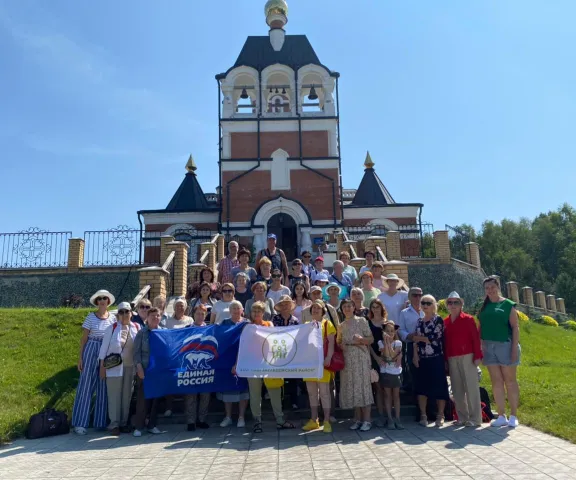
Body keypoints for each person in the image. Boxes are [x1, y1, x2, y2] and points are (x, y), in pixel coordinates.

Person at [242, 301, 294, 432]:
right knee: (255, 394)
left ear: (263, 313)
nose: (256, 313)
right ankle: (257, 421)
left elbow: (275, 342)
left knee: (275, 392)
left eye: (259, 311)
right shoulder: (247, 327)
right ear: (251, 313)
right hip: (253, 364)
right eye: (254, 311)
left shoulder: (269, 324)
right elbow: (242, 346)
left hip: (269, 363)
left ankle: (280, 420)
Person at [478, 276, 521, 428]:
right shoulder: (484, 306)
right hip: (488, 346)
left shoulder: (508, 304)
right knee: (496, 382)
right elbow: (481, 326)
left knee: (510, 381)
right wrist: (480, 346)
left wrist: (514, 348)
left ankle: (514, 415)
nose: (490, 290)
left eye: (492, 287)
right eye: (487, 288)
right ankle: (502, 415)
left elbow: (515, 327)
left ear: (498, 287)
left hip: (505, 345)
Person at [72, 290, 116, 435]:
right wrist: (80, 358)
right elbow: (84, 339)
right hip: (91, 347)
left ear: (108, 301)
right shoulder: (91, 317)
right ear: (97, 302)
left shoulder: (113, 318)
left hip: (106, 350)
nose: (102, 301)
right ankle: (80, 423)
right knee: (86, 385)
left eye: (105, 298)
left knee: (103, 385)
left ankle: (100, 422)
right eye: (100, 299)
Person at [98, 301, 140, 435]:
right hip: (114, 367)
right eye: (121, 312)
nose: (124, 314)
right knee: (114, 396)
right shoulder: (112, 328)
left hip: (130, 367)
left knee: (126, 396)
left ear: (131, 313)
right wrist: (102, 367)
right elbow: (103, 349)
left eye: (127, 311)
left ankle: (123, 423)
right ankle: (114, 424)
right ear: (118, 315)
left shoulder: (136, 327)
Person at [444, 291, 483, 427]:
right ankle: (462, 417)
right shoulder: (445, 322)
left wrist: (478, 356)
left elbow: (475, 339)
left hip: (468, 356)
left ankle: (475, 419)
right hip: (452, 358)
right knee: (457, 389)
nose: (453, 305)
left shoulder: (468, 319)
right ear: (447, 305)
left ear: (461, 304)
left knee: (471, 388)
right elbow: (445, 343)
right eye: (450, 302)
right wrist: (446, 361)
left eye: (456, 302)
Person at [413, 295, 450, 427]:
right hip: (422, 358)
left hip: (436, 358)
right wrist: (415, 355)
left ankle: (440, 415)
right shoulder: (419, 321)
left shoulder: (438, 320)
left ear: (434, 305)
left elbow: (433, 338)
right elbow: (415, 341)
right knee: (422, 387)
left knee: (439, 386)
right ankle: (423, 415)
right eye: (423, 303)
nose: (425, 305)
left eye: (428, 303)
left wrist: (419, 338)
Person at [338, 298, 374, 431]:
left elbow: (371, 339)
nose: (347, 309)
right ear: (342, 309)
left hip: (361, 357)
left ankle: (367, 420)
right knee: (354, 387)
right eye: (344, 307)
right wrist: (341, 345)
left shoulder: (362, 321)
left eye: (349, 306)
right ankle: (358, 419)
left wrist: (361, 339)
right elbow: (339, 341)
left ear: (354, 307)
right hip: (348, 358)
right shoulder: (341, 325)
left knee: (363, 387)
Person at [302, 300, 336, 433]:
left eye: (318, 308)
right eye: (313, 308)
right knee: (312, 393)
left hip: (323, 363)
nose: (315, 310)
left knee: (324, 393)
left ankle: (326, 421)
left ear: (323, 311)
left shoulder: (327, 324)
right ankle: (314, 420)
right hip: (309, 364)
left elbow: (331, 343)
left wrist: (328, 357)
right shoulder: (306, 324)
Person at [133, 307, 165, 437]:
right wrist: (139, 367)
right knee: (143, 399)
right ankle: (139, 427)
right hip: (145, 369)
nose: (155, 318)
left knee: (155, 400)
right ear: (147, 318)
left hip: (158, 370)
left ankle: (152, 425)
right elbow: (136, 353)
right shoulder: (141, 333)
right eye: (152, 316)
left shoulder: (164, 332)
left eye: (157, 316)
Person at [218, 301, 250, 428]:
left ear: (242, 310)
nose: (236, 311)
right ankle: (228, 417)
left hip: (244, 358)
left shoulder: (247, 324)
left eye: (238, 308)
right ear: (230, 311)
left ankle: (241, 417)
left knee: (243, 388)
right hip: (228, 358)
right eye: (234, 308)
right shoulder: (224, 323)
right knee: (228, 388)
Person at [184, 305, 211, 431]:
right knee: (191, 394)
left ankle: (202, 419)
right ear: (193, 315)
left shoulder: (210, 329)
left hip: (205, 368)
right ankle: (191, 421)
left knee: (205, 394)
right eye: (198, 313)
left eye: (202, 314)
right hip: (191, 367)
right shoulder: (187, 329)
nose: (200, 316)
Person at [378, 320, 404, 430]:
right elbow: (385, 355)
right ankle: (389, 418)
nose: (390, 333)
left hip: (396, 372)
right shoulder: (380, 342)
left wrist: (389, 344)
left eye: (392, 331)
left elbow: (392, 355)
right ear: (383, 331)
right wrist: (386, 342)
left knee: (396, 396)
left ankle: (397, 418)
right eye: (387, 331)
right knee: (387, 395)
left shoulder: (398, 343)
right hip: (386, 372)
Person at [398, 287, 424, 392]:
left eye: (420, 295)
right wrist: (409, 335)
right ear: (409, 297)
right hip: (411, 345)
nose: (418, 298)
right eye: (415, 295)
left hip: (427, 345)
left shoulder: (427, 309)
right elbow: (400, 330)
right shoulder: (404, 312)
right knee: (413, 372)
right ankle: (415, 395)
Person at [367, 299, 388, 428]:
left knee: (388, 389)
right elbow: (368, 344)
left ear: (382, 308)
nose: (375, 309)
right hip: (374, 358)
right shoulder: (368, 323)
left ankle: (389, 415)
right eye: (373, 307)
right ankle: (381, 416)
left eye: (377, 307)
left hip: (388, 359)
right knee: (378, 388)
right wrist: (376, 358)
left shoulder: (387, 323)